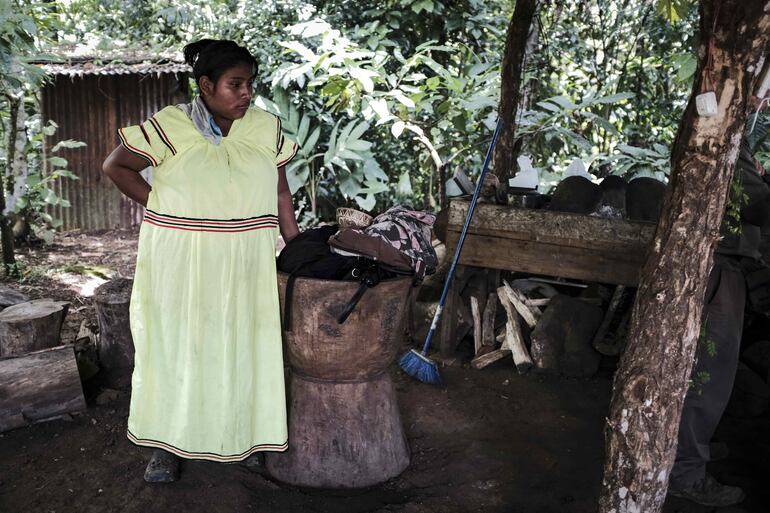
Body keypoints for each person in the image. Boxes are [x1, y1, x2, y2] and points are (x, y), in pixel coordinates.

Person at [102, 39, 300, 483]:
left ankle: (246, 436)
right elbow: (116, 166)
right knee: (179, 346)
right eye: (235, 84)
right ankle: (167, 445)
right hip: (182, 261)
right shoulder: (171, 126)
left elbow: (281, 192)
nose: (246, 93)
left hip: (246, 261)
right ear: (206, 85)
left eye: (250, 84)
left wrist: (297, 248)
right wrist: (163, 207)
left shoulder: (265, 128)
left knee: (243, 344)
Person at [668, 96, 770, 506]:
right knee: (706, 377)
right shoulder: (718, 126)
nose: (764, 102)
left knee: (707, 374)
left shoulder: (723, 127)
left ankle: (692, 451)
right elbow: (756, 204)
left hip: (720, 262)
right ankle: (685, 472)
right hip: (716, 264)